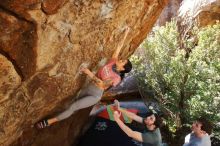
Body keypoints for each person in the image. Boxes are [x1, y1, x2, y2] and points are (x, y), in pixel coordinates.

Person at [36, 27, 132, 129]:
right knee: (73, 104)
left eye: (122, 61)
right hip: (88, 87)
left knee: (74, 106)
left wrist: (88, 73)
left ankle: (49, 122)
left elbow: (102, 84)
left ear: (122, 68)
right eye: (122, 59)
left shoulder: (116, 78)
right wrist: (126, 33)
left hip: (95, 95)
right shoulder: (112, 61)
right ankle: (65, 115)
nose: (120, 59)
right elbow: (119, 47)